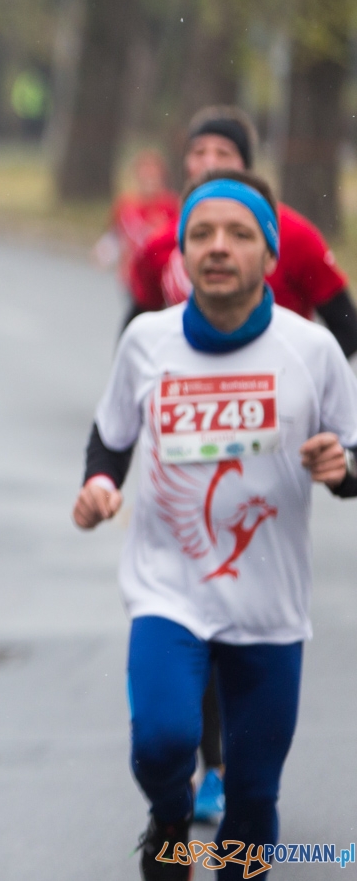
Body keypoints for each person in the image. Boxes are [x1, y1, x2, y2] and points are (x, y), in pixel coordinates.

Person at [72, 169, 357, 880]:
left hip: (270, 607)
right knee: (163, 741)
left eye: (239, 234)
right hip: (169, 589)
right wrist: (101, 484)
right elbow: (110, 436)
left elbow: (354, 458)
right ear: (181, 254)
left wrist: (341, 465)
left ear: (269, 255)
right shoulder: (146, 340)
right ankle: (170, 817)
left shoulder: (312, 350)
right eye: (200, 234)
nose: (218, 247)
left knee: (254, 796)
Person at [127, 106, 357, 356]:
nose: (210, 162)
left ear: (245, 164)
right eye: (199, 151)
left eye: (223, 152)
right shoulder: (160, 243)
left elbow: (347, 327)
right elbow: (134, 338)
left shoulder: (293, 235)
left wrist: (297, 379)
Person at [97, 149, 180, 297]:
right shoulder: (125, 206)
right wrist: (104, 253)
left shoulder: (171, 206)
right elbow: (115, 236)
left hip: (161, 277)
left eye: (153, 175)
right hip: (132, 278)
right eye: (144, 174)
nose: (148, 179)